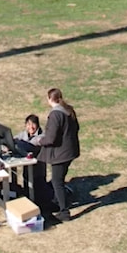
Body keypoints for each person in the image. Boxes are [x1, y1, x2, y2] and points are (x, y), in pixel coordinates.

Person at [33, 88, 81, 223]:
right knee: (58, 179)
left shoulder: (55, 114)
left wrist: (39, 140)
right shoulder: (69, 111)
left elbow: (51, 139)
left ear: (49, 99)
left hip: (61, 153)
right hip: (70, 151)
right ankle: (57, 202)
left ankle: (64, 212)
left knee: (57, 181)